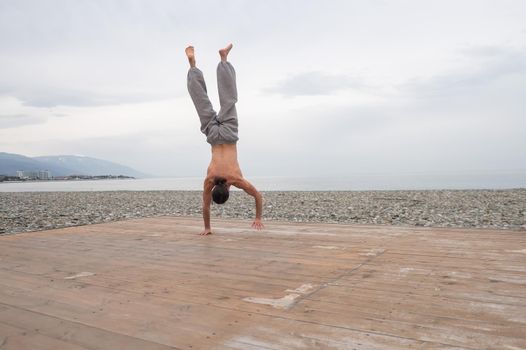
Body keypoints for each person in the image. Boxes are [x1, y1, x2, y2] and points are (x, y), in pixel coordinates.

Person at [186, 43, 264, 235]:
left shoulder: (236, 179)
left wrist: (258, 218)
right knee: (201, 103)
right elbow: (205, 207)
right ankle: (193, 67)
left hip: (229, 134)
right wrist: (206, 227)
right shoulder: (209, 180)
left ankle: (223, 59)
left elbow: (257, 195)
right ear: (214, 191)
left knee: (229, 99)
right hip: (213, 135)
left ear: (229, 191)